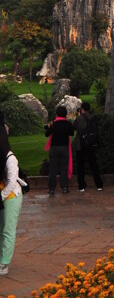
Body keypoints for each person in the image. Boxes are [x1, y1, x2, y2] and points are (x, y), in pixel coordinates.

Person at [0, 116, 24, 276]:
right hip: (2, 196)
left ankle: (4, 263)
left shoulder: (10, 158)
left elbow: (12, 181)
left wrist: (1, 196)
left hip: (11, 196)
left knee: (8, 229)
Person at [44, 105, 75, 194]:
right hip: (64, 147)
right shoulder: (68, 124)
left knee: (53, 169)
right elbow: (72, 133)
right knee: (64, 168)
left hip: (54, 147)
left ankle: (52, 188)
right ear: (65, 114)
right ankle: (64, 187)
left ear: (57, 114)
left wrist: (50, 127)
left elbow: (47, 134)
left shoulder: (54, 124)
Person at [73, 102, 103, 192]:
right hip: (91, 144)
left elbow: (75, 127)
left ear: (82, 109)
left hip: (81, 144)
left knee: (80, 165)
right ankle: (99, 184)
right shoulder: (94, 118)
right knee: (93, 164)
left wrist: (78, 116)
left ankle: (81, 186)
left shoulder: (80, 118)